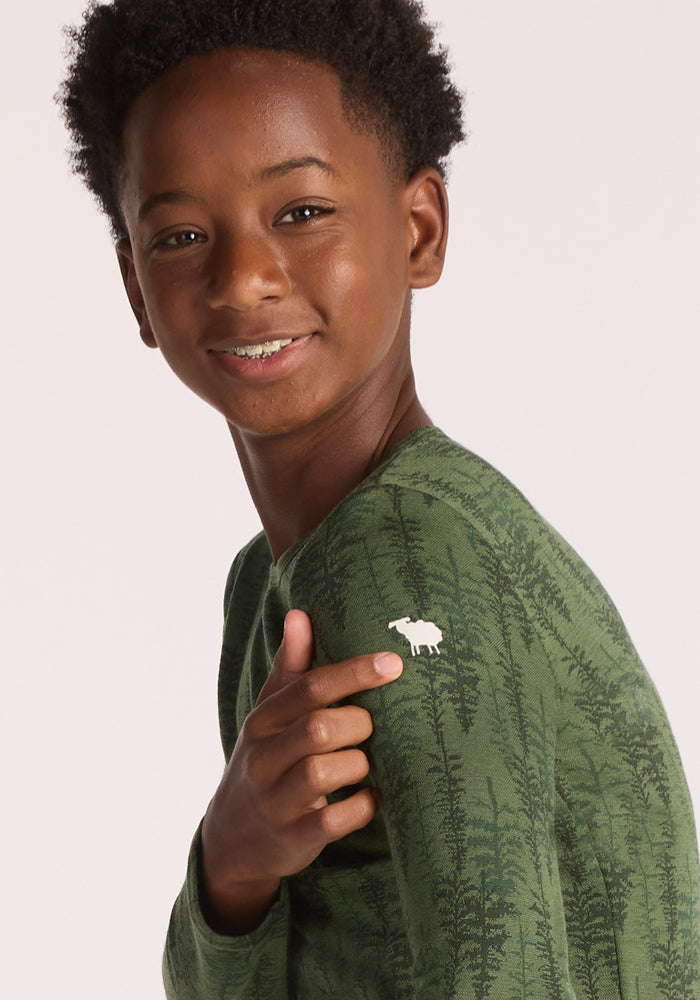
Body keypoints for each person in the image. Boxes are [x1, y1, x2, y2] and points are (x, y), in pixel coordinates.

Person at [60, 1, 700, 997]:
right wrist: (232, 866)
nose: (242, 278)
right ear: (138, 292)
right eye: (182, 234)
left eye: (301, 213)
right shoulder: (269, 583)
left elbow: (503, 972)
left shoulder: (405, 547)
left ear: (418, 229)